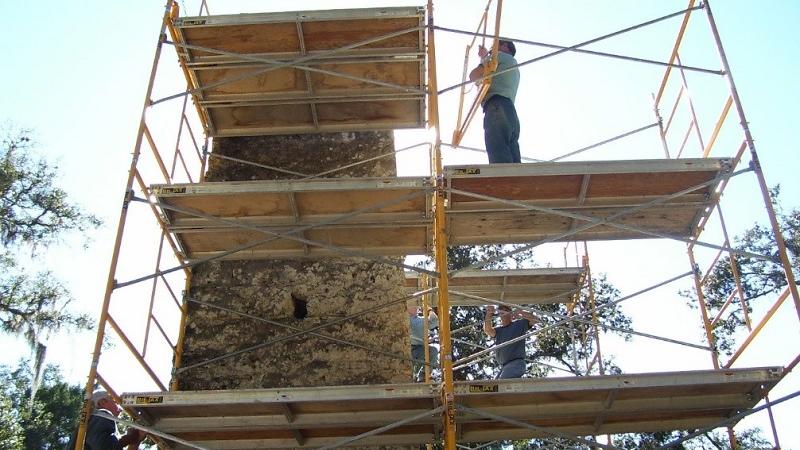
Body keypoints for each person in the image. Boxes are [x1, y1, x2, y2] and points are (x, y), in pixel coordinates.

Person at [468, 39, 521, 164]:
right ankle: (516, 182)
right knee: (512, 153)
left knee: (497, 148)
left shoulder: (498, 57)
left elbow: (474, 76)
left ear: (506, 47)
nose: (493, 50)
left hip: (496, 106)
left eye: (495, 47)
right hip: (509, 111)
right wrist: (485, 57)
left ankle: (504, 182)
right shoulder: (512, 65)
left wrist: (485, 58)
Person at [483, 304, 539, 379]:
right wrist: (489, 314)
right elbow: (488, 330)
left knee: (500, 386)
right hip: (504, 367)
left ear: (510, 313)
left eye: (505, 310)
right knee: (494, 387)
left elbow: (535, 319)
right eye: (501, 311)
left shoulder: (519, 324)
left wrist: (520, 312)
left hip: (516, 364)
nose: (503, 313)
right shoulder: (499, 330)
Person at [78, 390, 145, 450]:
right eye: (113, 400)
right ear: (102, 402)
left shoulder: (93, 422)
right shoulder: (101, 415)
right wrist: (128, 438)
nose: (118, 404)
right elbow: (104, 447)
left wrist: (136, 439)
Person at [408, 304, 439, 380]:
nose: (417, 307)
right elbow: (434, 321)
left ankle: (423, 376)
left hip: (418, 349)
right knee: (432, 351)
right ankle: (421, 376)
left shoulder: (419, 320)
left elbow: (434, 321)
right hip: (410, 349)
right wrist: (429, 309)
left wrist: (429, 309)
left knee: (432, 351)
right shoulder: (412, 320)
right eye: (414, 305)